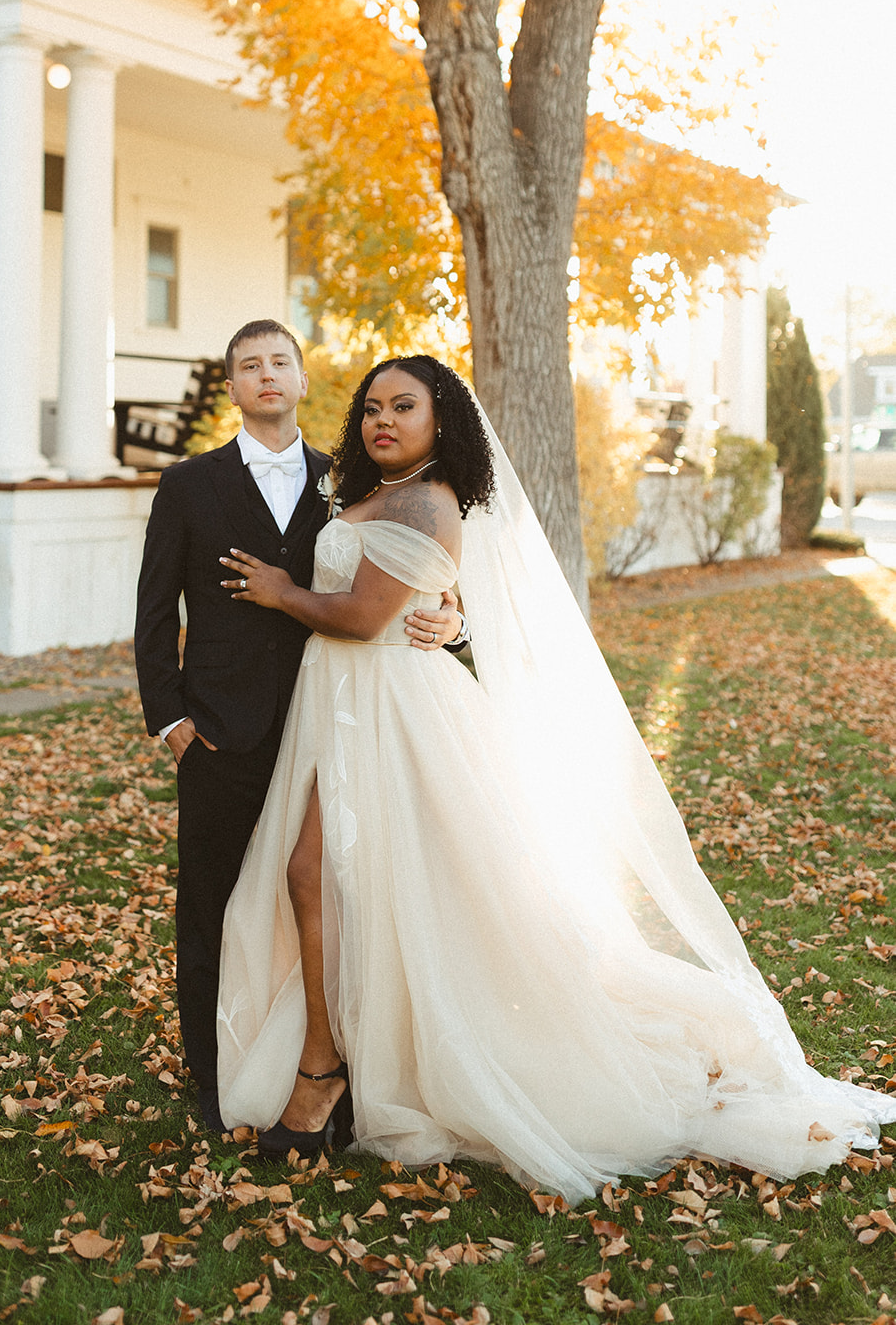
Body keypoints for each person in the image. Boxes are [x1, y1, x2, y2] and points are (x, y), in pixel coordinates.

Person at [215, 355, 896, 1199]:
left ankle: (331, 1067)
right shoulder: (360, 495)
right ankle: (341, 1052)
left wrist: (283, 593)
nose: (381, 420)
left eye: (404, 406)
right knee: (336, 879)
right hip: (344, 706)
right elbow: (409, 592)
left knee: (324, 875)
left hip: (393, 709)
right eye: (371, 408)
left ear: (441, 422)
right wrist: (449, 609)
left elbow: (358, 615)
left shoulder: (427, 499)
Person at [133, 322, 466, 1134]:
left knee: (337, 893)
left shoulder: (348, 480)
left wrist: (450, 619)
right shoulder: (187, 484)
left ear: (305, 379)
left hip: (339, 729)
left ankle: (334, 1062)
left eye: (279, 361)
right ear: (233, 386)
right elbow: (152, 610)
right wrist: (170, 718)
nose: (265, 375)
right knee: (216, 904)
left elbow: (417, 570)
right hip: (223, 732)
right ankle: (215, 1081)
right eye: (248, 365)